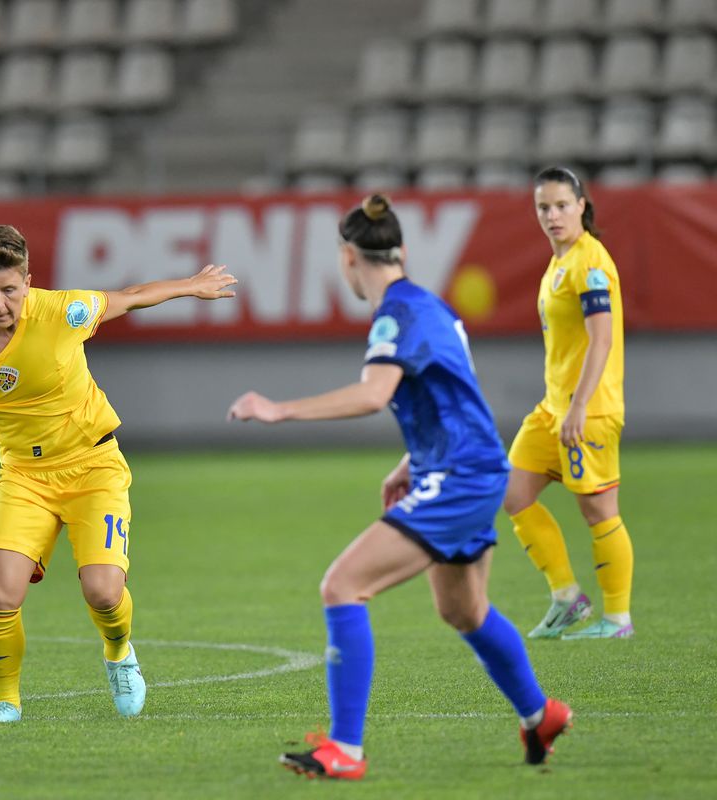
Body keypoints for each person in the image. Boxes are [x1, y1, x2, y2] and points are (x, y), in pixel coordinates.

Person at [228, 195, 571, 780]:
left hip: (461, 477)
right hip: (468, 467)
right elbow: (450, 393)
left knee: (342, 586)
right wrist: (414, 459)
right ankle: (540, 714)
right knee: (463, 609)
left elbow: (372, 394)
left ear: (346, 258)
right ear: (403, 251)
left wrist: (279, 409)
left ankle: (346, 750)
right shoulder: (428, 306)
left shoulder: (396, 316)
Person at [0, 224, 237, 723]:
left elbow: (129, 297)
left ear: (28, 282)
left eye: (10, 290)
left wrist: (190, 285)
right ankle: (6, 700)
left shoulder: (62, 311)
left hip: (92, 467)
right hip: (23, 477)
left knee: (103, 592)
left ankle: (119, 652)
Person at [503, 167, 633, 640]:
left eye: (561, 205)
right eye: (543, 207)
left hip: (589, 408)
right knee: (513, 494)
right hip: (552, 407)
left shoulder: (589, 262)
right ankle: (566, 599)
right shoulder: (558, 262)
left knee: (599, 511)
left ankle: (618, 619)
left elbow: (601, 341)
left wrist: (579, 407)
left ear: (582, 205)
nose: (553, 215)